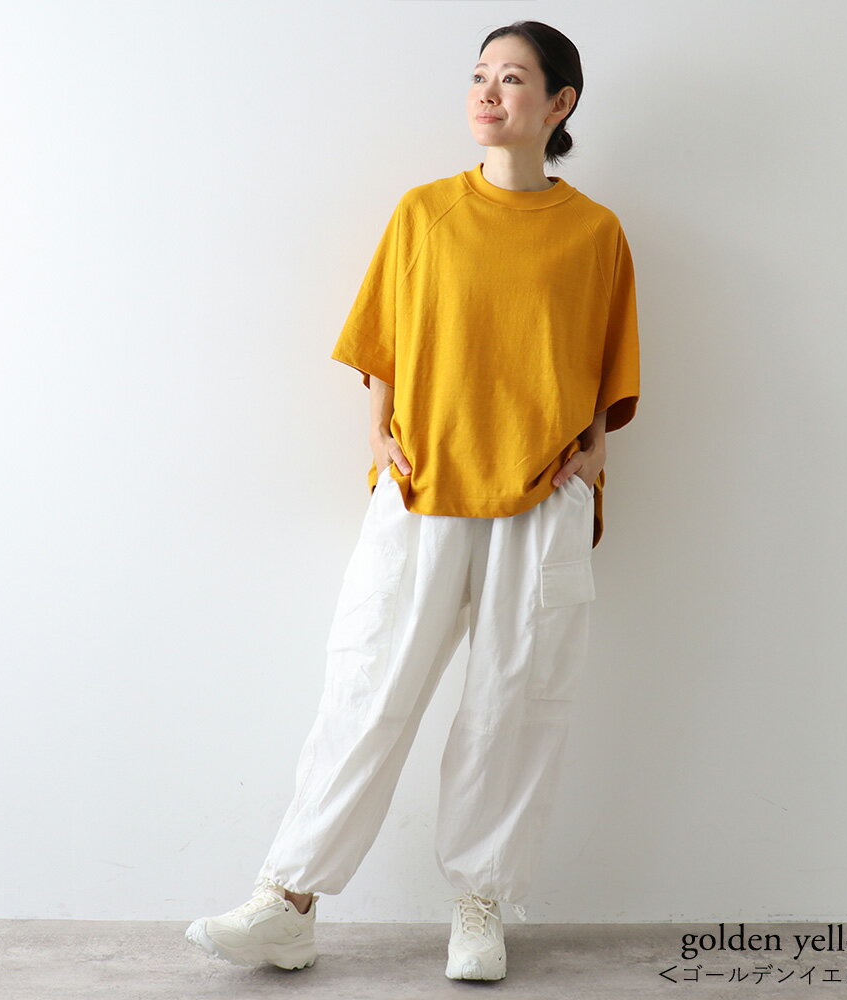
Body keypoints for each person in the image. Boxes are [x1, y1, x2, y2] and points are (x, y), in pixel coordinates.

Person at [185, 19, 639, 982]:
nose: (488, 92)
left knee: (513, 704)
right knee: (367, 688)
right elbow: (385, 338)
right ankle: (287, 902)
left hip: (542, 490)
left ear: (559, 104)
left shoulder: (595, 232)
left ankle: (480, 906)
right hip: (425, 482)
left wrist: (596, 449)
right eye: (479, 75)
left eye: (512, 78)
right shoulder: (425, 211)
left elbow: (606, 358)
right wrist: (381, 433)